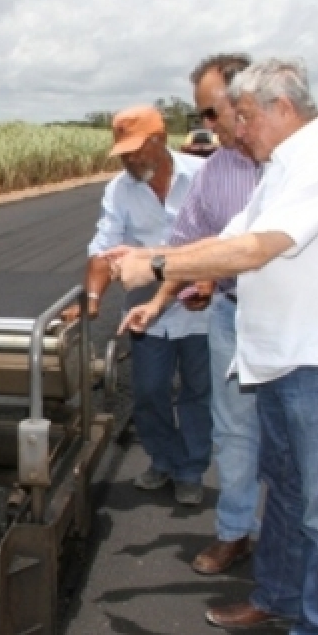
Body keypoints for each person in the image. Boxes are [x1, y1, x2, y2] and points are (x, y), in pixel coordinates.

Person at [105, 59, 318, 635]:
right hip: (277, 358)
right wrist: (159, 268)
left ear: (281, 107)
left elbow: (253, 250)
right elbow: (223, 238)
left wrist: (156, 259)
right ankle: (274, 597)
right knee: (287, 493)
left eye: (243, 115)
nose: (236, 129)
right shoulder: (276, 171)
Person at [119, 54, 262, 574]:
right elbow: (189, 243)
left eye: (209, 112)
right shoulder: (218, 172)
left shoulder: (305, 162)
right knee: (235, 431)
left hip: (300, 323)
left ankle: (298, 559)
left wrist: (155, 266)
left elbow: (252, 248)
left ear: (246, 100)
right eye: (200, 114)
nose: (205, 124)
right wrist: (158, 300)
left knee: (296, 442)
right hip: (228, 311)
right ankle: (236, 531)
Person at [66, 105, 211, 505]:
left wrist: (208, 280)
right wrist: (92, 299)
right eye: (124, 153)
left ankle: (191, 470)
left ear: (160, 140)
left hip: (202, 308)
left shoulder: (202, 178)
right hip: (147, 310)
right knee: (148, 392)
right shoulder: (119, 189)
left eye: (137, 150)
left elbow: (221, 239)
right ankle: (164, 459)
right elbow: (104, 249)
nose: (130, 160)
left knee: (198, 392)